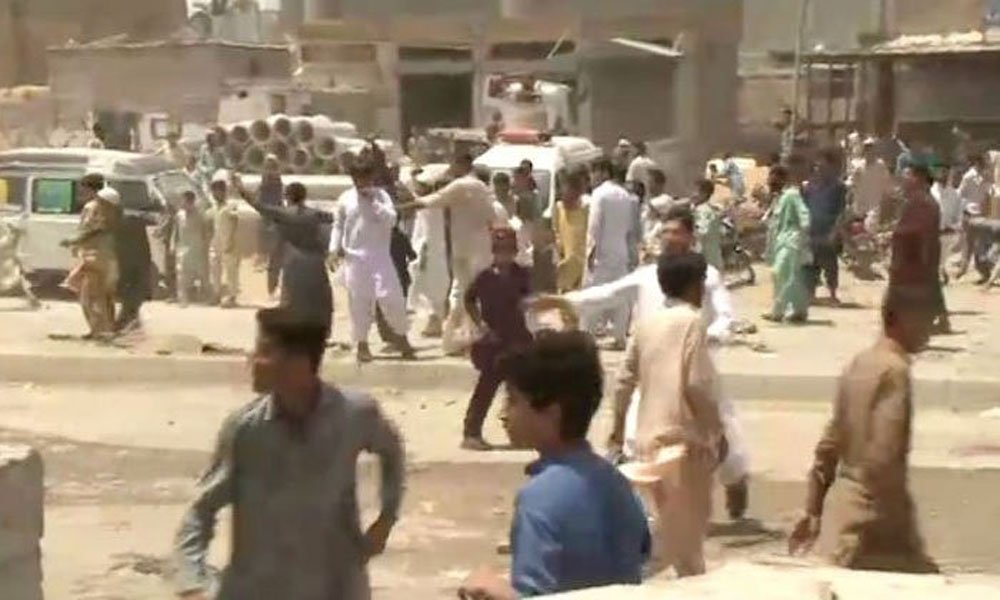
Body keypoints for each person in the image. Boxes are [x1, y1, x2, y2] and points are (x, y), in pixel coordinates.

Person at [172, 307, 405, 600]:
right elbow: (200, 509)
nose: (252, 362)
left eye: (264, 352)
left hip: (335, 585)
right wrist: (192, 583)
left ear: (300, 363)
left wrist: (386, 519)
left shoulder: (354, 415)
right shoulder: (246, 431)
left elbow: (392, 451)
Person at [563, 206, 748, 519]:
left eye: (676, 231)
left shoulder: (707, 276)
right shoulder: (648, 275)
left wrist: (706, 337)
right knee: (641, 436)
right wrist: (564, 301)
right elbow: (607, 294)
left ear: (691, 236)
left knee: (721, 432)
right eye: (665, 231)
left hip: (696, 364)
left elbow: (726, 318)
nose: (670, 237)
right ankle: (644, 514)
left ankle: (735, 483)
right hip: (652, 368)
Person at [459, 332, 649, 600]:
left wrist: (493, 591)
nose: (504, 414)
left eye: (513, 400)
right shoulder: (618, 483)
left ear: (552, 412)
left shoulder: (539, 498)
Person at [788, 287, 938, 573]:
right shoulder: (895, 371)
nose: (931, 329)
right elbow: (884, 457)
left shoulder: (859, 363)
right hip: (873, 526)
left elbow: (829, 446)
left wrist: (814, 510)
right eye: (926, 319)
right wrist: (902, 529)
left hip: (842, 520)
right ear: (901, 319)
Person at [611, 252, 724, 577]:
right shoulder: (692, 322)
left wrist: (617, 432)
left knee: (673, 544)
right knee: (679, 549)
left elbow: (623, 383)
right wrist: (716, 432)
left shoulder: (647, 324)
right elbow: (697, 386)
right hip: (684, 446)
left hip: (647, 443)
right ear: (694, 284)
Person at [408, 153, 497, 355]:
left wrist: (405, 206)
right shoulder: (478, 188)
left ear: (462, 164)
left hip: (470, 249)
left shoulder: (464, 185)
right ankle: (466, 341)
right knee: (466, 295)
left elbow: (434, 199)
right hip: (471, 248)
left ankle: (463, 341)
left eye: (454, 163)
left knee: (467, 295)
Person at [330, 160, 414, 361]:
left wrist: (373, 202)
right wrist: (333, 249)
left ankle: (402, 337)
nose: (362, 183)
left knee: (392, 298)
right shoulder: (346, 198)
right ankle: (362, 344)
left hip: (380, 257)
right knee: (359, 303)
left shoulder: (381, 196)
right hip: (355, 259)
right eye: (358, 179)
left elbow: (392, 219)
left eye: (365, 178)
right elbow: (338, 225)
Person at [461, 227, 534, 451]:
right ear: (494, 251)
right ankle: (471, 433)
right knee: (486, 388)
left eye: (509, 251)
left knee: (520, 390)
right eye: (500, 251)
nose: (505, 255)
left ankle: (520, 432)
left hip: (518, 339)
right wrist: (480, 325)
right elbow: (469, 300)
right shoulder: (485, 277)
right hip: (494, 342)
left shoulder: (522, 275)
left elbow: (531, 300)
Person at [584, 159, 641, 350]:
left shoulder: (599, 194)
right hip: (621, 251)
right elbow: (630, 228)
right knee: (621, 295)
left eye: (593, 173)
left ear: (602, 172)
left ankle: (588, 335)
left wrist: (590, 252)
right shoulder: (625, 195)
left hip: (602, 253)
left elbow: (594, 226)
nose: (591, 178)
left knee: (594, 294)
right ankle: (619, 336)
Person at [890, 165, 950, 334]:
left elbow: (919, 231)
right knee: (930, 287)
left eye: (908, 175)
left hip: (918, 256)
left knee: (920, 290)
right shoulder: (914, 200)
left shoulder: (924, 203)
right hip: (916, 255)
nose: (904, 179)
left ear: (919, 179)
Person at [61, 176, 119, 339]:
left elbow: (95, 229)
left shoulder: (94, 207)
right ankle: (103, 329)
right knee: (99, 295)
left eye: (83, 189)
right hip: (99, 254)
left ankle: (100, 330)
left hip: (95, 255)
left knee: (90, 295)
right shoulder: (105, 207)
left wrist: (75, 241)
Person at [763, 165, 811, 323]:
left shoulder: (791, 194)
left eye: (773, 177)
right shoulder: (779, 198)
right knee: (793, 277)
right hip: (781, 242)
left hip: (791, 241)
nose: (770, 181)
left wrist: (802, 237)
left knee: (779, 274)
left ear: (781, 178)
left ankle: (777, 312)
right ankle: (800, 311)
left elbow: (804, 215)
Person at [407, 169, 450, 338]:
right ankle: (437, 321)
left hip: (432, 250)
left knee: (433, 287)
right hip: (435, 250)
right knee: (434, 287)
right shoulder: (437, 204)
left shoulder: (431, 205)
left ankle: (436, 323)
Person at [803, 148, 847, 305]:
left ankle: (832, 293)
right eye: (817, 165)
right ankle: (810, 293)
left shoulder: (838, 187)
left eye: (823, 164)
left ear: (831, 166)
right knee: (810, 264)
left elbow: (841, 211)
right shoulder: (809, 187)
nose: (819, 167)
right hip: (812, 231)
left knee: (830, 264)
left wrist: (835, 232)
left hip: (828, 231)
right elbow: (805, 208)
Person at [113, 187, 157, 331]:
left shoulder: (120, 223)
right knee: (133, 294)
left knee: (130, 295)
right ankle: (130, 320)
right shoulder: (135, 221)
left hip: (130, 263)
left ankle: (127, 320)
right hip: (135, 263)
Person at [206, 176, 241, 308]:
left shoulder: (231, 205)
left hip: (229, 240)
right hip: (216, 241)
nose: (215, 194)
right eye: (213, 191)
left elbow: (235, 222)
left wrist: (231, 240)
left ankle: (232, 296)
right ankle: (216, 294)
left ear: (224, 191)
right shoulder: (214, 206)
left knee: (231, 269)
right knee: (214, 268)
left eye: (218, 191)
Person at [553, 171, 589, 293]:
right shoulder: (558, 209)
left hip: (583, 275)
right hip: (563, 273)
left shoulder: (586, 211)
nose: (562, 193)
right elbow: (556, 236)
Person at [173, 191, 210, 307]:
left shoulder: (200, 215)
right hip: (183, 249)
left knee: (203, 274)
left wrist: (206, 246)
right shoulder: (179, 215)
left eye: (185, 201)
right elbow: (176, 231)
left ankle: (207, 298)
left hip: (197, 248)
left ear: (191, 202)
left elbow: (205, 231)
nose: (183, 203)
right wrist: (173, 245)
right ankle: (182, 299)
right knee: (181, 275)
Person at [257, 155, 284, 298]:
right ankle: (272, 289)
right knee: (274, 259)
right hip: (269, 222)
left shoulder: (275, 181)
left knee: (276, 259)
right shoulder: (267, 182)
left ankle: (274, 289)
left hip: (275, 222)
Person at [848, 137, 894, 222]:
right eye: (867, 149)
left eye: (871, 149)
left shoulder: (880, 166)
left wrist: (887, 203)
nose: (869, 152)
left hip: (874, 209)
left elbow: (887, 186)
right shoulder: (858, 166)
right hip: (860, 208)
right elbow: (852, 184)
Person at [0, 218, 40, 309]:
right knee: (20, 284)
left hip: (7, 266)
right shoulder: (10, 239)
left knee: (19, 284)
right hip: (7, 265)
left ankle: (34, 301)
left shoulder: (9, 240)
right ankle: (34, 301)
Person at [932, 166, 963, 283]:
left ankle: (941, 271)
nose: (944, 175)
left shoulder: (954, 194)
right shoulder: (930, 192)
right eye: (941, 172)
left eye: (946, 172)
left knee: (942, 256)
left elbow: (958, 213)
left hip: (948, 232)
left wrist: (955, 226)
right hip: (932, 231)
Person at [692, 178, 723, 273]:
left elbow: (702, 231)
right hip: (713, 258)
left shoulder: (703, 210)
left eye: (696, 191)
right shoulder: (708, 209)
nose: (693, 194)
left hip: (705, 259)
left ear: (704, 193)